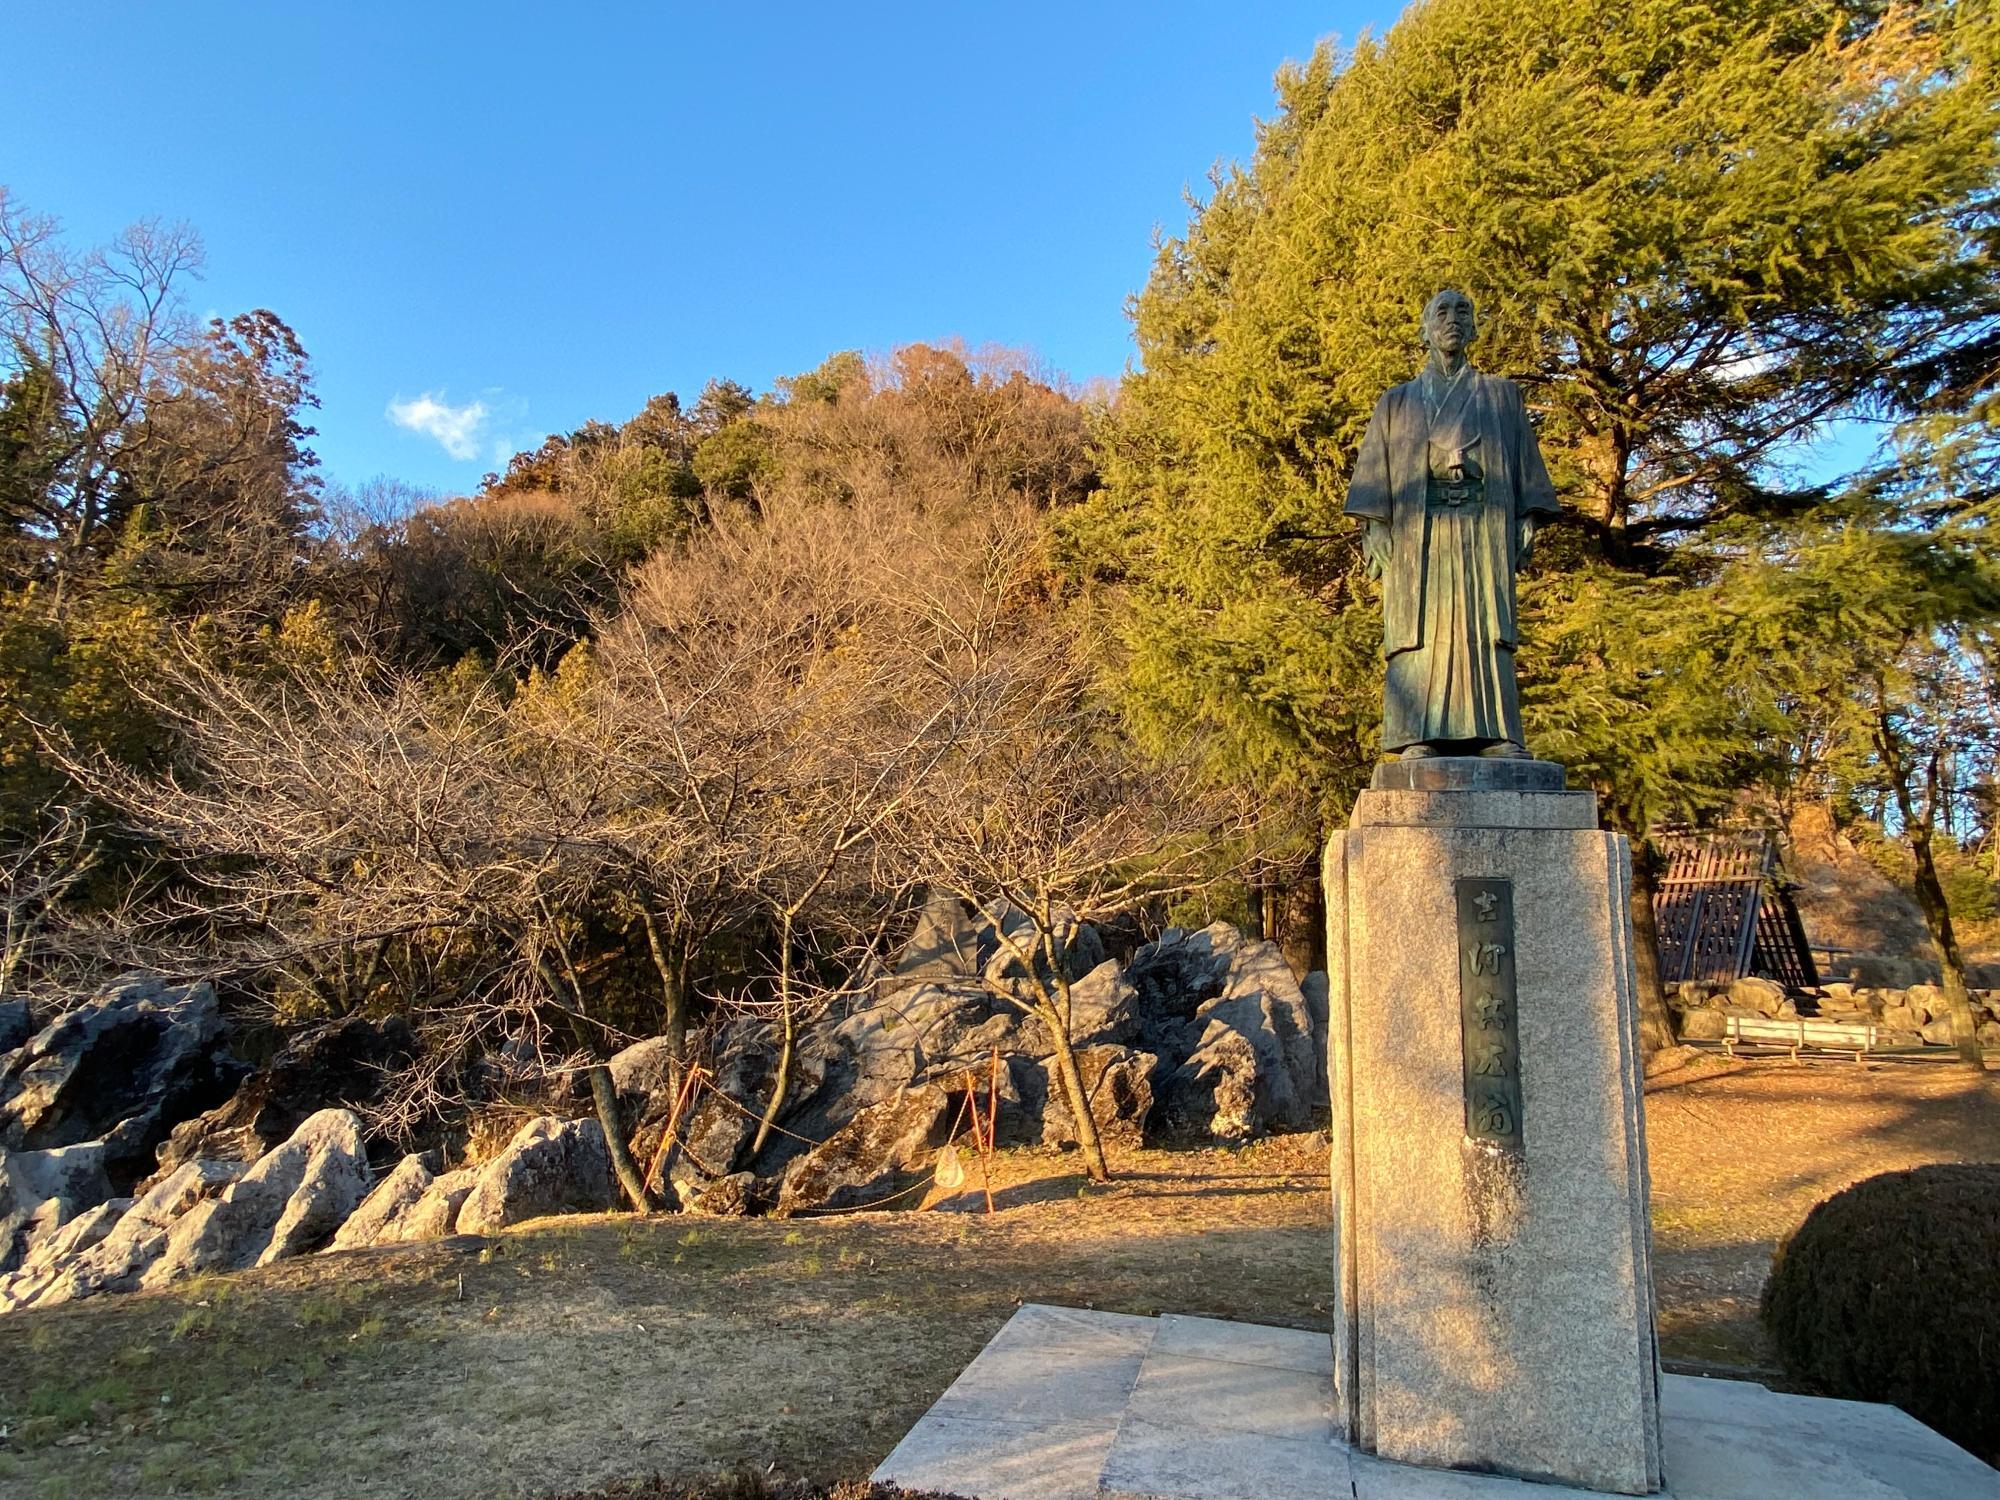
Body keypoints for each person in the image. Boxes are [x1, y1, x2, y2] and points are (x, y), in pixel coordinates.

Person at [1344, 289, 1559, 760]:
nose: (1453, 320)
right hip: (1419, 535)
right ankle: (1416, 734)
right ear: (1425, 328)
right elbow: (1373, 475)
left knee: (1484, 623)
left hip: (1483, 529)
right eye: (1442, 312)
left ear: (1475, 327)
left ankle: (1497, 734)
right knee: (1420, 625)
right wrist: (1375, 526)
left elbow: (1525, 463)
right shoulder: (1397, 403)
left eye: (1463, 312)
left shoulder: (1502, 397)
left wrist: (1528, 515)